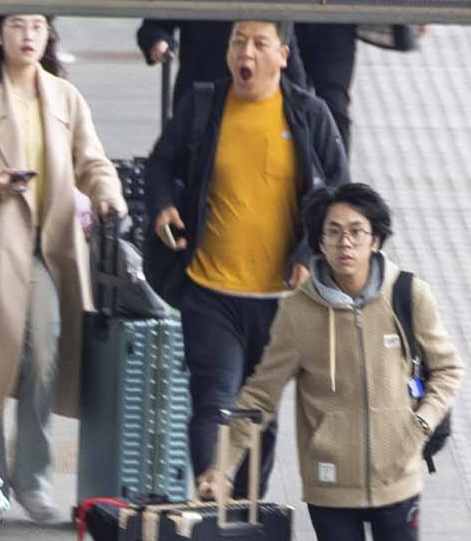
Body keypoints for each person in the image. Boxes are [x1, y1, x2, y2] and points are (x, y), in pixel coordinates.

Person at [211, 183, 463, 541]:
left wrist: (420, 423)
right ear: (318, 241)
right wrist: (221, 467)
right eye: (332, 232)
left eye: (355, 232)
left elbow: (448, 367)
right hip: (332, 483)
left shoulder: (407, 295)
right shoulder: (298, 313)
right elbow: (260, 393)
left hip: (400, 476)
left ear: (376, 238)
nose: (344, 243)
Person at [0, 18, 121, 517]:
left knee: (46, 351)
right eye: (18, 25)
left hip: (47, 247)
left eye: (37, 26)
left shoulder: (63, 96)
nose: (28, 35)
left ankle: (33, 475)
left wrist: (107, 195)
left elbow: (91, 159)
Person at [134, 24, 340, 475]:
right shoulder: (203, 105)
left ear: (282, 56)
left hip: (278, 300)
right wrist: (163, 207)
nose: (246, 53)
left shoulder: (308, 115)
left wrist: (308, 254)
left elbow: (338, 193)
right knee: (214, 398)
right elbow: (161, 164)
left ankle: (249, 513)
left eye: (259, 44)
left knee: (259, 412)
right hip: (209, 291)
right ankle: (211, 493)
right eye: (237, 43)